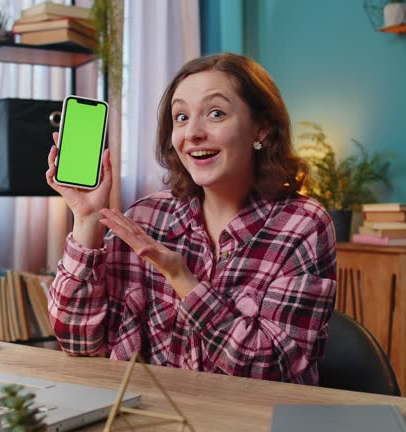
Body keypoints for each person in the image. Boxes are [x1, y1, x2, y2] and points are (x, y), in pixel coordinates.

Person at [45, 53, 336, 385]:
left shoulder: (302, 225)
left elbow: (272, 369)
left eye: (215, 113)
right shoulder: (146, 217)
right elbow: (77, 338)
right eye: (181, 117)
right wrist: (87, 219)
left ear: (263, 128)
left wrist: (181, 277)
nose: (192, 133)